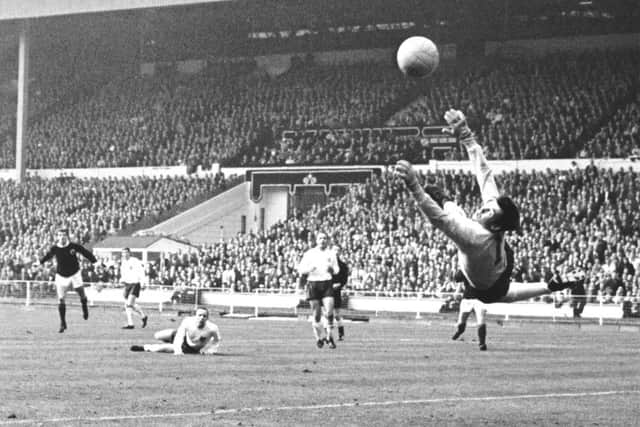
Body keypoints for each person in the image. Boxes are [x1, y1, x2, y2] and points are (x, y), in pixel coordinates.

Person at [394, 109, 583, 309]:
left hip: (489, 280)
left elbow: (440, 219)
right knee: (503, 289)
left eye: (487, 211)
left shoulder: (475, 237)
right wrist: (467, 137)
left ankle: (442, 198)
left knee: (457, 217)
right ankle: (550, 285)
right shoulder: (493, 220)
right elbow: (484, 174)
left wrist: (415, 188)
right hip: (498, 263)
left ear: (494, 226)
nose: (483, 209)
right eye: (487, 207)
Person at [40, 228, 97, 333]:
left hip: (75, 273)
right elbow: (48, 256)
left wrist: (94, 261)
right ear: (57, 236)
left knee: (81, 293)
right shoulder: (55, 248)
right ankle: (63, 323)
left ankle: (84, 305)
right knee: (61, 299)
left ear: (67, 236)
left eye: (64, 235)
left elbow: (85, 252)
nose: (62, 237)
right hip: (61, 275)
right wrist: (40, 262)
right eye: (60, 235)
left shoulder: (73, 246)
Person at [297, 231, 339, 349]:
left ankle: (330, 337)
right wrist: (309, 269)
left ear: (327, 240)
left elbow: (337, 270)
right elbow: (301, 269)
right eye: (320, 238)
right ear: (317, 240)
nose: (323, 240)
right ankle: (318, 338)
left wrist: (332, 269)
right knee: (316, 315)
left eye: (325, 238)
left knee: (330, 311)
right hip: (313, 284)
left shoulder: (331, 253)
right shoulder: (310, 253)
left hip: (326, 283)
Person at [130, 307, 220, 355]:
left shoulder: (212, 328)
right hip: (179, 335)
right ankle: (170, 340)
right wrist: (178, 349)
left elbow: (217, 340)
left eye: (204, 316)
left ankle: (144, 348)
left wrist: (211, 351)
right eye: (199, 315)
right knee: (157, 336)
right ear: (195, 315)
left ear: (207, 318)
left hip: (188, 348)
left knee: (162, 348)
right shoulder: (188, 321)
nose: (201, 318)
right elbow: (180, 335)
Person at [451, 272, 488, 350]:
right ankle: (460, 331)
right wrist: (457, 290)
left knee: (481, 321)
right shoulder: (469, 267)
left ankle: (482, 343)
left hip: (480, 299)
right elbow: (458, 278)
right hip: (467, 298)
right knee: (461, 321)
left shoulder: (484, 267)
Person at [119, 247, 148, 329]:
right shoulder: (123, 262)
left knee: (128, 304)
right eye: (123, 253)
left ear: (129, 253)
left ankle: (130, 324)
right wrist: (121, 280)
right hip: (127, 285)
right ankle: (143, 316)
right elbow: (123, 273)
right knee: (131, 304)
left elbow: (141, 271)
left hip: (135, 284)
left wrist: (143, 283)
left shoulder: (135, 261)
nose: (124, 254)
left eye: (126, 252)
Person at [331, 245, 350, 341]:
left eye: (338, 250)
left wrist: (339, 285)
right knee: (326, 313)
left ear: (340, 252)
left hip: (336, 292)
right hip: (326, 290)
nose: (336, 252)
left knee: (337, 314)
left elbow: (344, 279)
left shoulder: (342, 266)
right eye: (334, 249)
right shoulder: (327, 264)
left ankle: (341, 334)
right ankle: (328, 335)